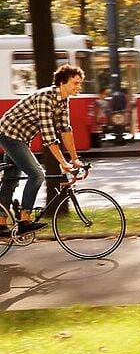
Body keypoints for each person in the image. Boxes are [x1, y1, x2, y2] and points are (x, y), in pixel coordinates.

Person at [0, 64, 84, 236]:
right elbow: (48, 136)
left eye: (80, 83)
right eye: (75, 83)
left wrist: (74, 158)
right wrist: (63, 162)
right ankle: (25, 220)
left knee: (11, 179)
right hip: (10, 134)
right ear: (62, 82)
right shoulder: (46, 97)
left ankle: (0, 224)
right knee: (37, 174)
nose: (79, 87)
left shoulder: (63, 100)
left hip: (21, 138)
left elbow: (65, 130)